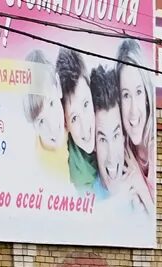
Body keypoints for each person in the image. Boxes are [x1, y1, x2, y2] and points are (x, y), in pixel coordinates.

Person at [88, 64, 154, 216]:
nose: (112, 156)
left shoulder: (137, 193)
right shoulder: (85, 195)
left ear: (124, 137)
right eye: (103, 139)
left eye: (116, 135)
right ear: (94, 144)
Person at [55, 48, 105, 198]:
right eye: (74, 118)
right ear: (65, 124)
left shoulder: (110, 116)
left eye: (85, 104)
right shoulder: (71, 173)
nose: (85, 128)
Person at [116, 39, 156, 202]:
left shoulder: (155, 148)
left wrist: (139, 183)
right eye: (126, 95)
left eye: (139, 92)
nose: (133, 110)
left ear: (147, 96)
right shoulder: (123, 151)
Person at [21, 49, 68, 186]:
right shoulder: (38, 164)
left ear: (58, 87)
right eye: (41, 121)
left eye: (52, 104)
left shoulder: (78, 127)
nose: (52, 127)